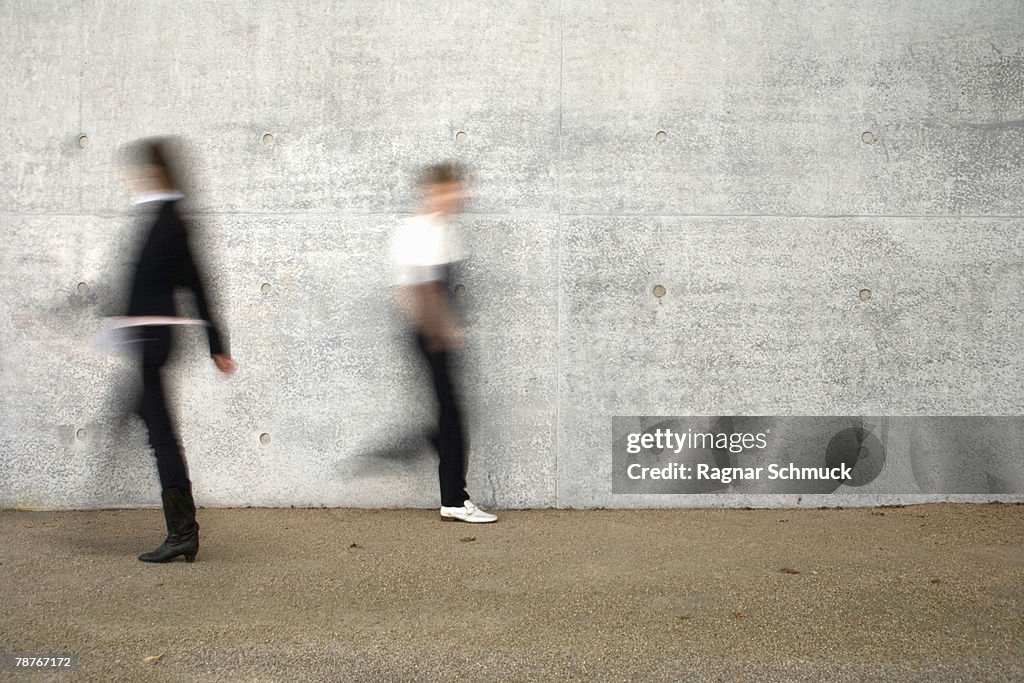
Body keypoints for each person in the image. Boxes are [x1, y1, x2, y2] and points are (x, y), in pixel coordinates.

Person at [123, 137, 235, 562]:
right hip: (148, 338)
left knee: (162, 437)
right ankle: (182, 532)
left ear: (156, 172)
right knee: (152, 422)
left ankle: (183, 534)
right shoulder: (163, 216)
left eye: (141, 172)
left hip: (154, 340)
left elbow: (198, 283)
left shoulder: (170, 220)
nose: (134, 179)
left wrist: (217, 344)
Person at [391, 163, 496, 523]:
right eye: (453, 190)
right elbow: (419, 289)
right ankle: (453, 498)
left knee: (449, 415)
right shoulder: (424, 230)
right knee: (453, 417)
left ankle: (428, 449)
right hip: (433, 334)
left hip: (433, 332)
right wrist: (441, 330)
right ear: (436, 192)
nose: (461, 196)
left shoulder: (440, 228)